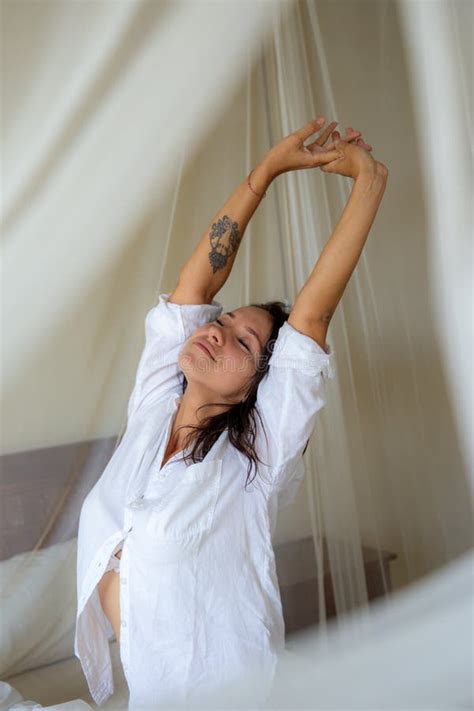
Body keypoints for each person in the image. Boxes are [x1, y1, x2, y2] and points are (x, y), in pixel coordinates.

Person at [74, 116, 388, 709]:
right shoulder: (154, 402)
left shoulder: (255, 458)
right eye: (222, 322)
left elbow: (311, 322)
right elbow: (196, 288)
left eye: (244, 344)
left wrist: (368, 183)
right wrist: (266, 170)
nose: (216, 333)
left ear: (260, 390)